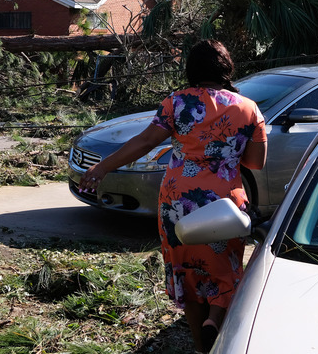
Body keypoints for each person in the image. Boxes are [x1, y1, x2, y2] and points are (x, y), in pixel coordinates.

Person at [78, 40, 267, 353]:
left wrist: (103, 167)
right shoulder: (248, 108)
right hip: (224, 204)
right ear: (226, 68)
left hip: (179, 203)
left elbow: (143, 142)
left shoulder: (176, 103)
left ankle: (199, 347)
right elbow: (256, 162)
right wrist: (226, 151)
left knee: (189, 275)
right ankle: (217, 317)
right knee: (226, 267)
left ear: (192, 70)